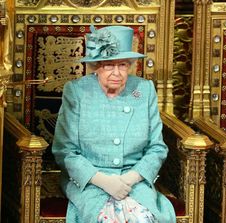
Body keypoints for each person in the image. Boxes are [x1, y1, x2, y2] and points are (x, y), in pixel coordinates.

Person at [52, 25, 176, 223]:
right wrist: (103, 181)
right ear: (96, 66)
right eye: (109, 65)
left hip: (134, 183)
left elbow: (157, 148)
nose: (116, 73)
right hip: (90, 183)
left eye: (123, 65)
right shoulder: (77, 92)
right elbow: (64, 150)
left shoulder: (143, 91)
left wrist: (130, 179)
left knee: (143, 218)